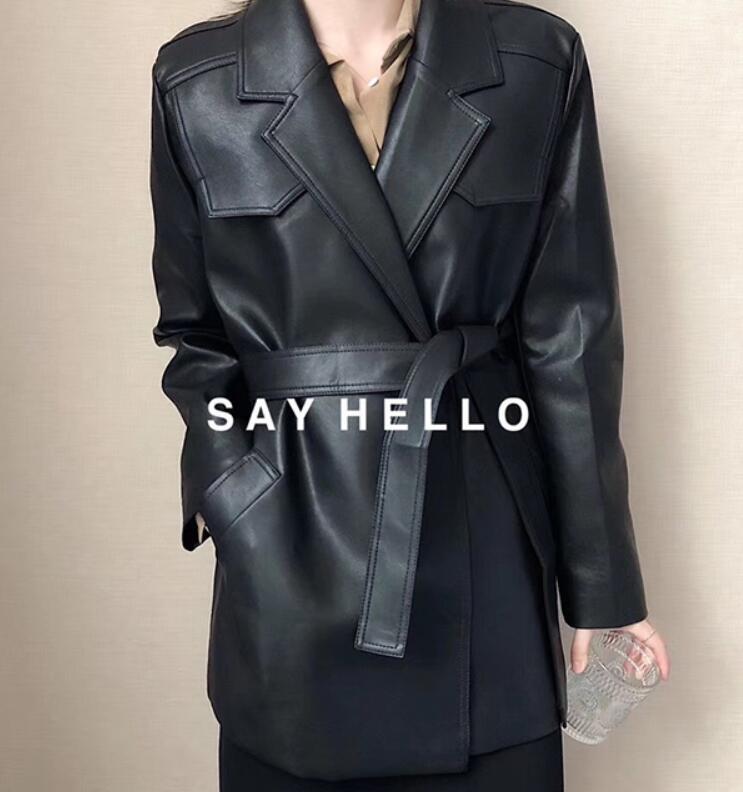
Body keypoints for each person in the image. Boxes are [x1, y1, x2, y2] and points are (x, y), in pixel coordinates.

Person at [148, 0, 670, 789]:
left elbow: (569, 338)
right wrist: (233, 496)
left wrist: (602, 589)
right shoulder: (198, 79)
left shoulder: (532, 59)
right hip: (289, 548)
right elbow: (196, 336)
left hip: (482, 545)